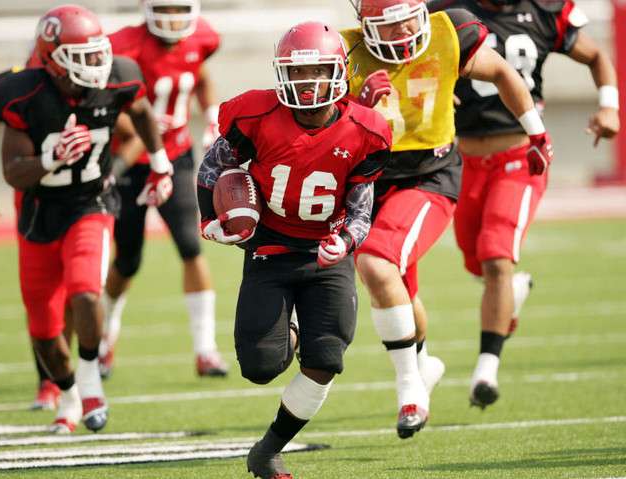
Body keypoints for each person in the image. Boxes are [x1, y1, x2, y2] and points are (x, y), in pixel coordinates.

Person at [342, 0, 554, 438]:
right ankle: (424, 363)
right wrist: (356, 107)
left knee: (377, 264)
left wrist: (536, 131)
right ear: (365, 24)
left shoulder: (447, 31)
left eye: (407, 19)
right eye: (389, 24)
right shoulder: (345, 52)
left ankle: (410, 389)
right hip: (373, 184)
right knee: (396, 288)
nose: (402, 32)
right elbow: (325, 130)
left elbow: (501, 73)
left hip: (430, 176)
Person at [197, 21, 391, 479]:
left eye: (318, 72)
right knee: (261, 367)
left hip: (326, 252)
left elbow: (361, 211)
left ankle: (267, 450)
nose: (308, 84)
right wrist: (211, 221)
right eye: (298, 74)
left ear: (339, 72)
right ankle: (292, 333)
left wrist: (344, 240)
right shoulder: (256, 115)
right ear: (282, 74)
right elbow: (211, 170)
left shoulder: (367, 130)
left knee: (327, 359)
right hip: (271, 246)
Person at [427, 0, 620, 408]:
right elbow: (411, 55)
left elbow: (597, 55)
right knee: (476, 260)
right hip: (461, 159)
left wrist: (609, 105)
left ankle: (486, 368)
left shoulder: (545, 10)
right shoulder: (448, 10)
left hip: (519, 155)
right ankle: (511, 290)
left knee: (496, 257)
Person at [0, 4, 173, 433]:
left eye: (98, 52)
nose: (96, 63)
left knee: (86, 292)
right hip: (38, 213)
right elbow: (13, 171)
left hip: (91, 204)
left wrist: (161, 163)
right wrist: (50, 158)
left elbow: (143, 112)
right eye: (83, 55)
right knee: (44, 329)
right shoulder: (20, 93)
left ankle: (91, 382)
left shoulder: (119, 76)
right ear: (53, 58)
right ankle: (68, 394)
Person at [100, 0, 227, 379]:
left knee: (191, 244)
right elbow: (106, 104)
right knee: (128, 260)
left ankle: (206, 350)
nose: (173, 17)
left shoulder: (203, 36)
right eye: (165, 8)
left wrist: (212, 113)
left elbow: (198, 74)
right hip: (131, 161)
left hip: (177, 156)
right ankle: (105, 340)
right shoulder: (124, 44)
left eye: (178, 8)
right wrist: (144, 127)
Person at [0, 66, 68, 411]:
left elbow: (129, 124)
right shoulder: (12, 86)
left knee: (79, 289)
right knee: (43, 294)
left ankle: (77, 374)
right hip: (35, 201)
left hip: (86, 201)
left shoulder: (97, 82)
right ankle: (50, 379)